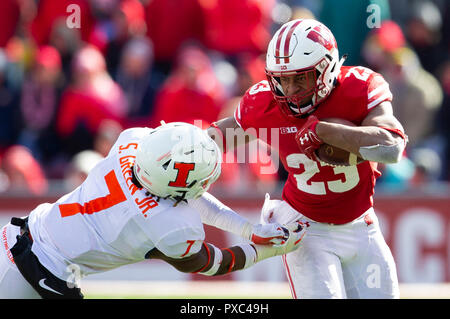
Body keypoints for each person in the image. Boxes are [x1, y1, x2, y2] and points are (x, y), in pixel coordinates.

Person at [208, 18, 408, 299]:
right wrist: (173, 147)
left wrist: (326, 131)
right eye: (282, 79)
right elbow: (212, 141)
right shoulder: (264, 104)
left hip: (361, 224)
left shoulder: (359, 87)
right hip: (305, 226)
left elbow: (392, 148)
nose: (289, 90)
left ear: (326, 69)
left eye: (300, 78)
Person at [0, 122, 305, 299]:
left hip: (20, 235)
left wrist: (249, 230)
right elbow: (207, 262)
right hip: (40, 274)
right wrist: (263, 251)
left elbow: (181, 195)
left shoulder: (130, 141)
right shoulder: (167, 223)